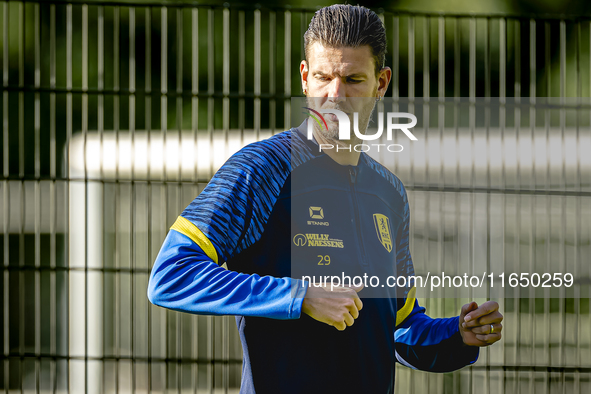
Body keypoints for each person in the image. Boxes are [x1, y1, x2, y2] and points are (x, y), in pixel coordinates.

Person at [147, 4, 503, 393]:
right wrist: (299, 295)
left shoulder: (388, 193)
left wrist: (457, 334)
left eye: (352, 79)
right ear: (304, 77)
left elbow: (397, 329)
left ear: (381, 83)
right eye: (323, 77)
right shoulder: (262, 168)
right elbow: (170, 275)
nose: (335, 95)